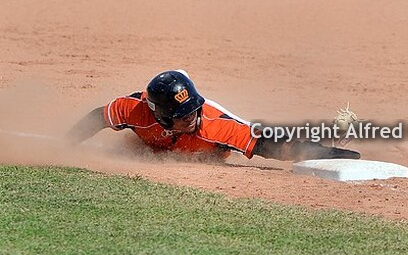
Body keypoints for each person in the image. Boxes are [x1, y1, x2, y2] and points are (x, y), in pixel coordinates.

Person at [67, 70, 360, 162]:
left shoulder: (213, 127)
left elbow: (277, 148)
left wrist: (339, 157)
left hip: (215, 144)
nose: (191, 118)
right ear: (161, 116)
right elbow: (97, 118)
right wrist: (63, 145)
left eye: (193, 109)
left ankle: (336, 139)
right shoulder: (134, 110)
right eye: (182, 115)